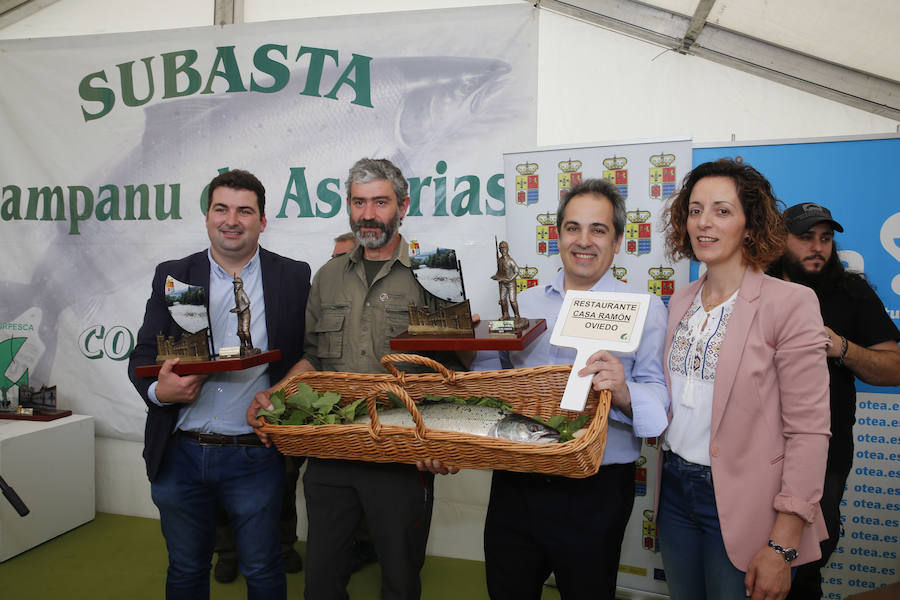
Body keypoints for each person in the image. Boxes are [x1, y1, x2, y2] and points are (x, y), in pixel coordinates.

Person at [249, 157, 452, 600]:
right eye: (359, 202)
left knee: (399, 579)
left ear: (402, 204)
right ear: (348, 205)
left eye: (380, 202)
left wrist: (437, 443)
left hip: (399, 456)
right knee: (320, 582)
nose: (368, 214)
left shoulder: (436, 274)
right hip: (331, 453)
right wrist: (274, 394)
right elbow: (313, 359)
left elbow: (450, 374)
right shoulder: (327, 277)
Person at [470, 178, 670, 600]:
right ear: (557, 235)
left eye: (598, 230)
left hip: (595, 490)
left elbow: (656, 395)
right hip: (517, 481)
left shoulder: (645, 309)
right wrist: (469, 345)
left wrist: (624, 392)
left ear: (617, 241)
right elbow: (488, 382)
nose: (584, 241)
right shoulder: (522, 304)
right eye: (573, 228)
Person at [128, 169, 311, 599]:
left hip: (255, 455)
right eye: (221, 209)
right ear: (207, 216)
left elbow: (311, 354)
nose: (232, 220)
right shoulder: (174, 274)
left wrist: (283, 396)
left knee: (264, 568)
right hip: (180, 455)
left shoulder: (293, 277)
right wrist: (160, 392)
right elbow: (142, 356)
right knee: (186, 569)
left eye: (245, 210)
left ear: (262, 221)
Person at [657, 158, 831, 600]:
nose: (703, 223)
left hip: (746, 502)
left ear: (750, 225)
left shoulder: (789, 303)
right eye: (695, 210)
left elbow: (809, 430)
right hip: (675, 492)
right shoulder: (681, 300)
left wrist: (783, 544)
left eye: (722, 210)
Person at [766, 202, 900, 600]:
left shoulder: (851, 292)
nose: (818, 247)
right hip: (754, 454)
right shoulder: (756, 288)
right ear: (779, 241)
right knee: (748, 562)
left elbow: (893, 368)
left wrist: (839, 346)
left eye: (825, 238)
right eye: (806, 237)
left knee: (803, 568)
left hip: (823, 458)